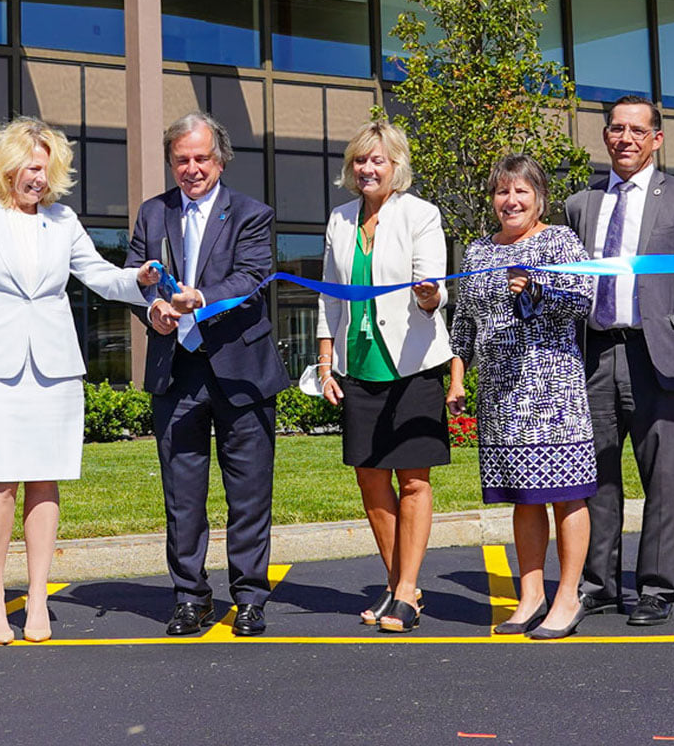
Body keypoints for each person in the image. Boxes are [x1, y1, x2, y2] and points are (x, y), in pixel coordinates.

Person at [0, 117, 160, 644]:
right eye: (30, 167)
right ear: (8, 165)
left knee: (45, 480)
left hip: (55, 369)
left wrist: (140, 279)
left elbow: (101, 276)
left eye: (46, 169)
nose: (37, 178)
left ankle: (37, 598)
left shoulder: (62, 221)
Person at [562, 96, 674, 628]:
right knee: (596, 477)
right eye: (616, 129)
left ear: (657, 139)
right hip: (595, 354)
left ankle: (656, 587)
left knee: (666, 478)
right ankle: (600, 585)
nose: (626, 139)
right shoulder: (579, 204)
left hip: (663, 356)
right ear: (605, 136)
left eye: (638, 130)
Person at [128, 112, 291, 638]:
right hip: (176, 370)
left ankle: (248, 597)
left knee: (249, 493)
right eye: (182, 159)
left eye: (201, 158)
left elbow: (252, 277)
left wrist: (200, 298)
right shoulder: (152, 214)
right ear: (171, 162)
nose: (191, 168)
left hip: (240, 371)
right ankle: (191, 598)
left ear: (219, 160)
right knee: (183, 495)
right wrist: (153, 307)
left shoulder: (252, 213)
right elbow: (136, 278)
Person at [449, 153, 597, 640]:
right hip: (499, 393)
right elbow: (464, 322)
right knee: (524, 498)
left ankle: (568, 597)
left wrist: (536, 288)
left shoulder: (558, 240)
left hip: (551, 392)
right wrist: (457, 377)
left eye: (520, 192)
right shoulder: (476, 253)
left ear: (539, 199)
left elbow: (582, 301)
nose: (510, 201)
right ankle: (530, 595)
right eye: (501, 192)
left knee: (566, 496)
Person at [315, 119, 453, 634]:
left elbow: (436, 289)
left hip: (412, 363)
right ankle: (400, 584)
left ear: (397, 167)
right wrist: (325, 363)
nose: (367, 168)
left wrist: (427, 294)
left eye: (378, 160)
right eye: (360, 160)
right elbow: (329, 294)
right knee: (370, 476)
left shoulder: (421, 214)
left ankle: (405, 592)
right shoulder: (339, 219)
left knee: (413, 478)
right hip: (357, 363)